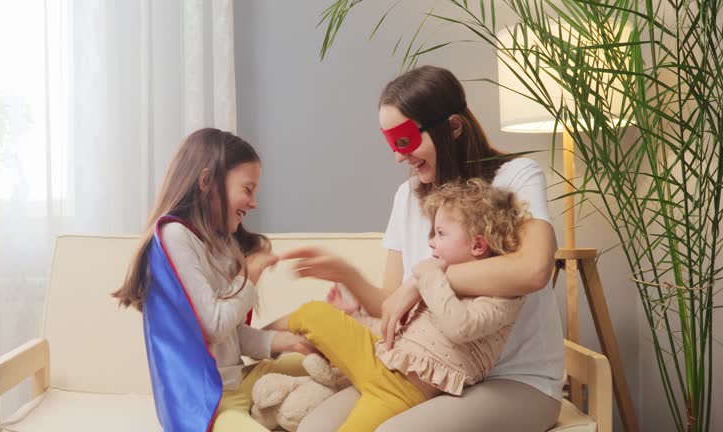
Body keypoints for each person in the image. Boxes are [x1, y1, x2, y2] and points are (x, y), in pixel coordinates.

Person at [286, 65, 565, 432]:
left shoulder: (515, 178)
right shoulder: (407, 197)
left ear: (452, 127)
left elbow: (532, 270)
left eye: (404, 140)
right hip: (422, 373)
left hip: (515, 380)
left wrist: (424, 278)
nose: (398, 157)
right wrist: (347, 274)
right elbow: (392, 307)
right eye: (391, 143)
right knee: (314, 428)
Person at [268, 178, 530, 432]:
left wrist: (428, 275)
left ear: (477, 245)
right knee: (314, 313)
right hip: (379, 358)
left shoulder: (501, 296)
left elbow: (459, 327)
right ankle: (251, 340)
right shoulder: (441, 281)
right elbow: (400, 331)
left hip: (403, 392)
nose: (431, 242)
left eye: (440, 233)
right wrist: (356, 318)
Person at [112, 128, 315, 432]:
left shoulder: (221, 243)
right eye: (248, 189)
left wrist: (287, 342)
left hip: (238, 382)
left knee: (322, 363)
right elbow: (215, 326)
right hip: (207, 402)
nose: (254, 202)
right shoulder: (173, 236)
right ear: (207, 181)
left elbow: (232, 335)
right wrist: (251, 273)